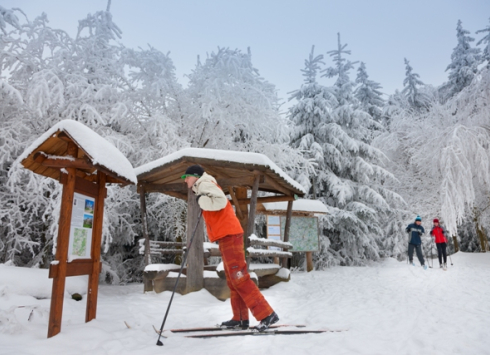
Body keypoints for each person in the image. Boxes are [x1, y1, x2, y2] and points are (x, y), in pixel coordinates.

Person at [181, 164, 279, 331]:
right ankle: (240, 319)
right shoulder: (202, 186)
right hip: (226, 236)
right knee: (234, 280)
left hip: (230, 235)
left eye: (187, 177)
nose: (185, 181)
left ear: (195, 176)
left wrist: (202, 201)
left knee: (239, 277)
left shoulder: (204, 183)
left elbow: (221, 201)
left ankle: (267, 314)